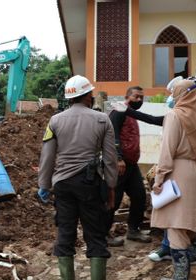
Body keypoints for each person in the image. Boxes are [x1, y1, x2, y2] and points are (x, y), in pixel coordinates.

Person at [38, 75, 118, 280]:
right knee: (95, 236)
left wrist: (44, 185)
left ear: (69, 97)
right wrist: (111, 187)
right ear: (88, 95)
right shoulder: (102, 119)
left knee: (65, 234)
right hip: (89, 184)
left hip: (63, 185)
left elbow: (47, 157)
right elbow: (110, 160)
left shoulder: (55, 120)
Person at [151, 79, 196, 279]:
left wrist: (159, 179)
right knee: (190, 228)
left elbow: (167, 151)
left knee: (175, 226)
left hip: (178, 172)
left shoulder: (175, 116)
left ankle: (180, 276)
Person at [105, 86, 153, 247]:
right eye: (136, 96)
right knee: (114, 199)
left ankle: (133, 230)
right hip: (120, 165)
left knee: (139, 196)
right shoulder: (119, 110)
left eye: (141, 97)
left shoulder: (130, 113)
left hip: (131, 165)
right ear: (127, 96)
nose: (139, 100)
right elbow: (113, 134)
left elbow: (150, 119)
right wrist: (118, 158)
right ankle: (103, 234)